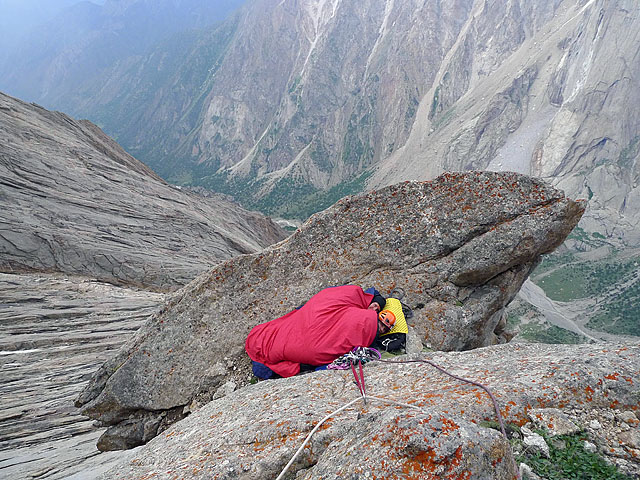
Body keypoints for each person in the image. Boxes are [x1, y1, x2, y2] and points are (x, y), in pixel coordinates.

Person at [245, 285, 387, 379]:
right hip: (308, 322)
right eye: (376, 309)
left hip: (306, 343)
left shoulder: (359, 323)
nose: (375, 309)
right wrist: (378, 302)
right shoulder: (349, 299)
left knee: (282, 341)